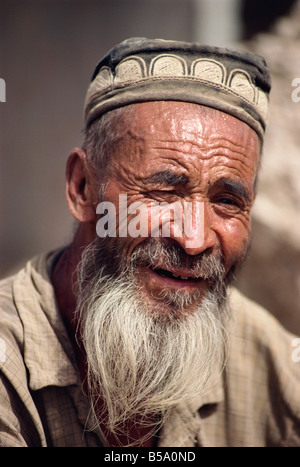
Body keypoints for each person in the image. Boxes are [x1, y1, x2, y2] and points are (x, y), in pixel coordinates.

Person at [0, 37, 299, 448]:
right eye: (163, 192)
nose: (194, 239)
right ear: (82, 187)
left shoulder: (265, 356)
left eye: (227, 202)